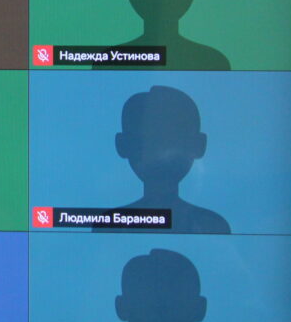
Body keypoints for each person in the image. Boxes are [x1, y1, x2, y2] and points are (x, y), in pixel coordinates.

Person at [97, 86, 230, 234]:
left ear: (199, 145)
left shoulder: (212, 225)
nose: (161, 154)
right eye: (146, 141)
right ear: (123, 145)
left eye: (173, 140)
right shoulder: (110, 224)